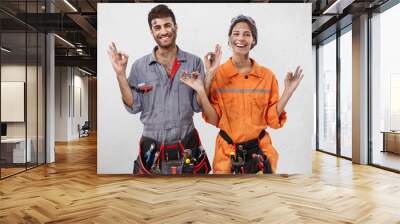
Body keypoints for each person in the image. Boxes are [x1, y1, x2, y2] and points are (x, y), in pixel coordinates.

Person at [107, 4, 215, 175]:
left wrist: (209, 75)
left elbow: (198, 105)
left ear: (175, 27)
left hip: (187, 143)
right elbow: (133, 105)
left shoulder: (193, 62)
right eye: (157, 27)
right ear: (152, 32)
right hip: (152, 147)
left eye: (167, 25)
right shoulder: (139, 67)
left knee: (192, 198)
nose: (163, 31)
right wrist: (120, 74)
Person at [200, 15, 304, 174]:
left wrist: (288, 92)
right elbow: (212, 118)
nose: (240, 38)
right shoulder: (218, 75)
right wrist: (209, 74)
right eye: (236, 33)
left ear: (253, 40)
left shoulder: (267, 77)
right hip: (227, 155)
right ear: (229, 39)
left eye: (247, 34)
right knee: (225, 198)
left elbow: (272, 119)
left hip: (260, 153)